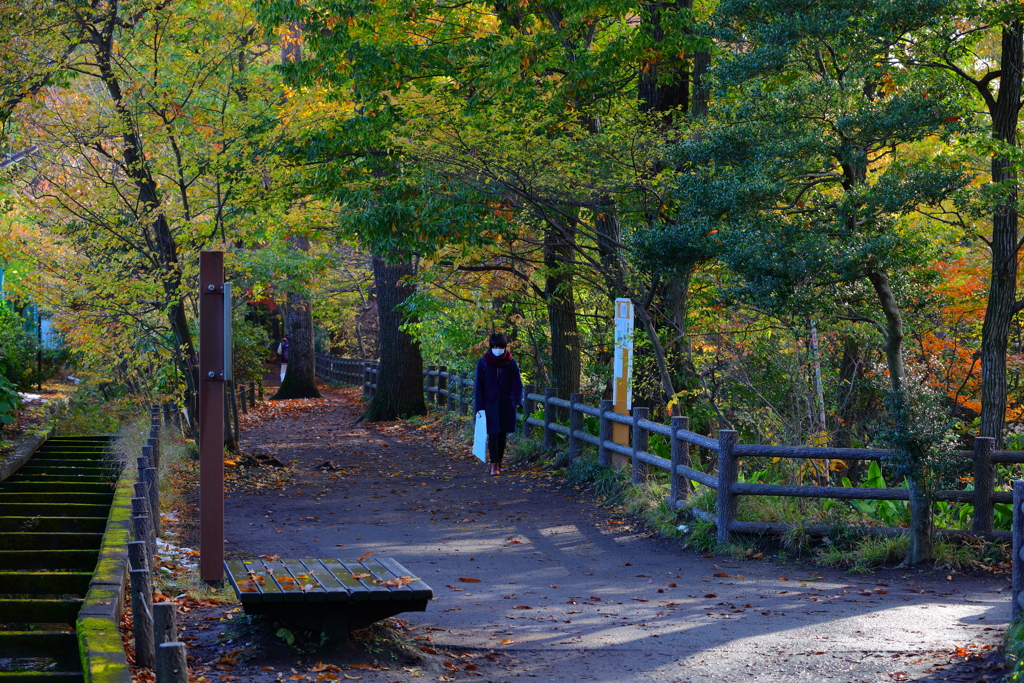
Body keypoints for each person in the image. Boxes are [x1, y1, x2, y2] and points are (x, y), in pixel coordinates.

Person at [474, 333, 523, 476]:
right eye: (495, 346)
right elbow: (479, 386)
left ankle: (500, 461)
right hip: (489, 404)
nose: (498, 349)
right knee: (493, 434)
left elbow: (517, 383)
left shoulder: (511, 362)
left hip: (506, 404)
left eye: (500, 347)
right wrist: (479, 407)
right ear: (491, 347)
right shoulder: (483, 363)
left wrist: (518, 401)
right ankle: (493, 464)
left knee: (502, 434)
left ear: (505, 347)